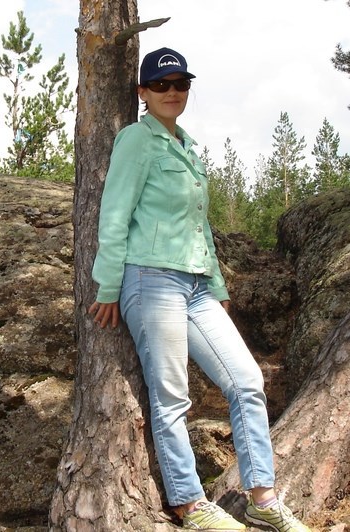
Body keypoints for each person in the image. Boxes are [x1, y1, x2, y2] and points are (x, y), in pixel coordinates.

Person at [89, 47, 310, 531]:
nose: (172, 92)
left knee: (247, 381)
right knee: (172, 396)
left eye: (180, 84)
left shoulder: (188, 148)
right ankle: (191, 505)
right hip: (150, 279)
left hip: (195, 285)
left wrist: (216, 281)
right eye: (161, 84)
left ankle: (263, 500)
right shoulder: (136, 140)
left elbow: (200, 225)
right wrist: (107, 286)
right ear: (143, 92)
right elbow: (114, 213)